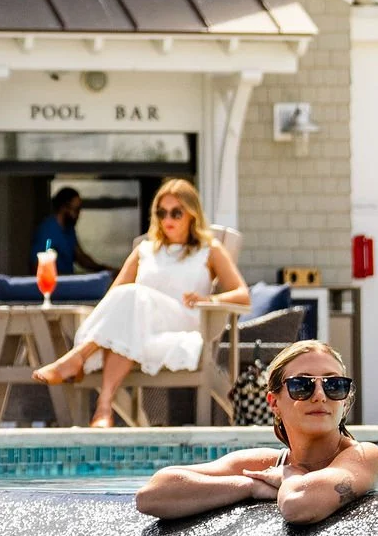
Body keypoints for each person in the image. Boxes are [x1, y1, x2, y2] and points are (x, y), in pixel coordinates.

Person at [31, 178, 248, 427]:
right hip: (143, 327)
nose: (168, 219)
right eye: (162, 212)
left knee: (134, 295)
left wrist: (208, 299)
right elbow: (115, 296)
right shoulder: (145, 250)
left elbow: (242, 294)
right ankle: (103, 409)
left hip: (183, 322)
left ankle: (77, 358)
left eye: (176, 213)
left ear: (191, 214)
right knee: (128, 319)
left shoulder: (209, 250)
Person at [133, 341, 378, 524]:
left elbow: (299, 504)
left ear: (345, 400)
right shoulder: (264, 465)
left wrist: (291, 476)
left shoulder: (367, 457)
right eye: (301, 385)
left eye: (334, 385)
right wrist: (248, 487)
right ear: (274, 402)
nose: (319, 396)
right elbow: (151, 495)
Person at [31, 187, 107, 274]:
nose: (78, 215)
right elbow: (36, 266)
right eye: (76, 210)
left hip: (68, 282)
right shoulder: (47, 231)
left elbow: (80, 257)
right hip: (54, 283)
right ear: (64, 207)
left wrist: (103, 269)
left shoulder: (69, 229)